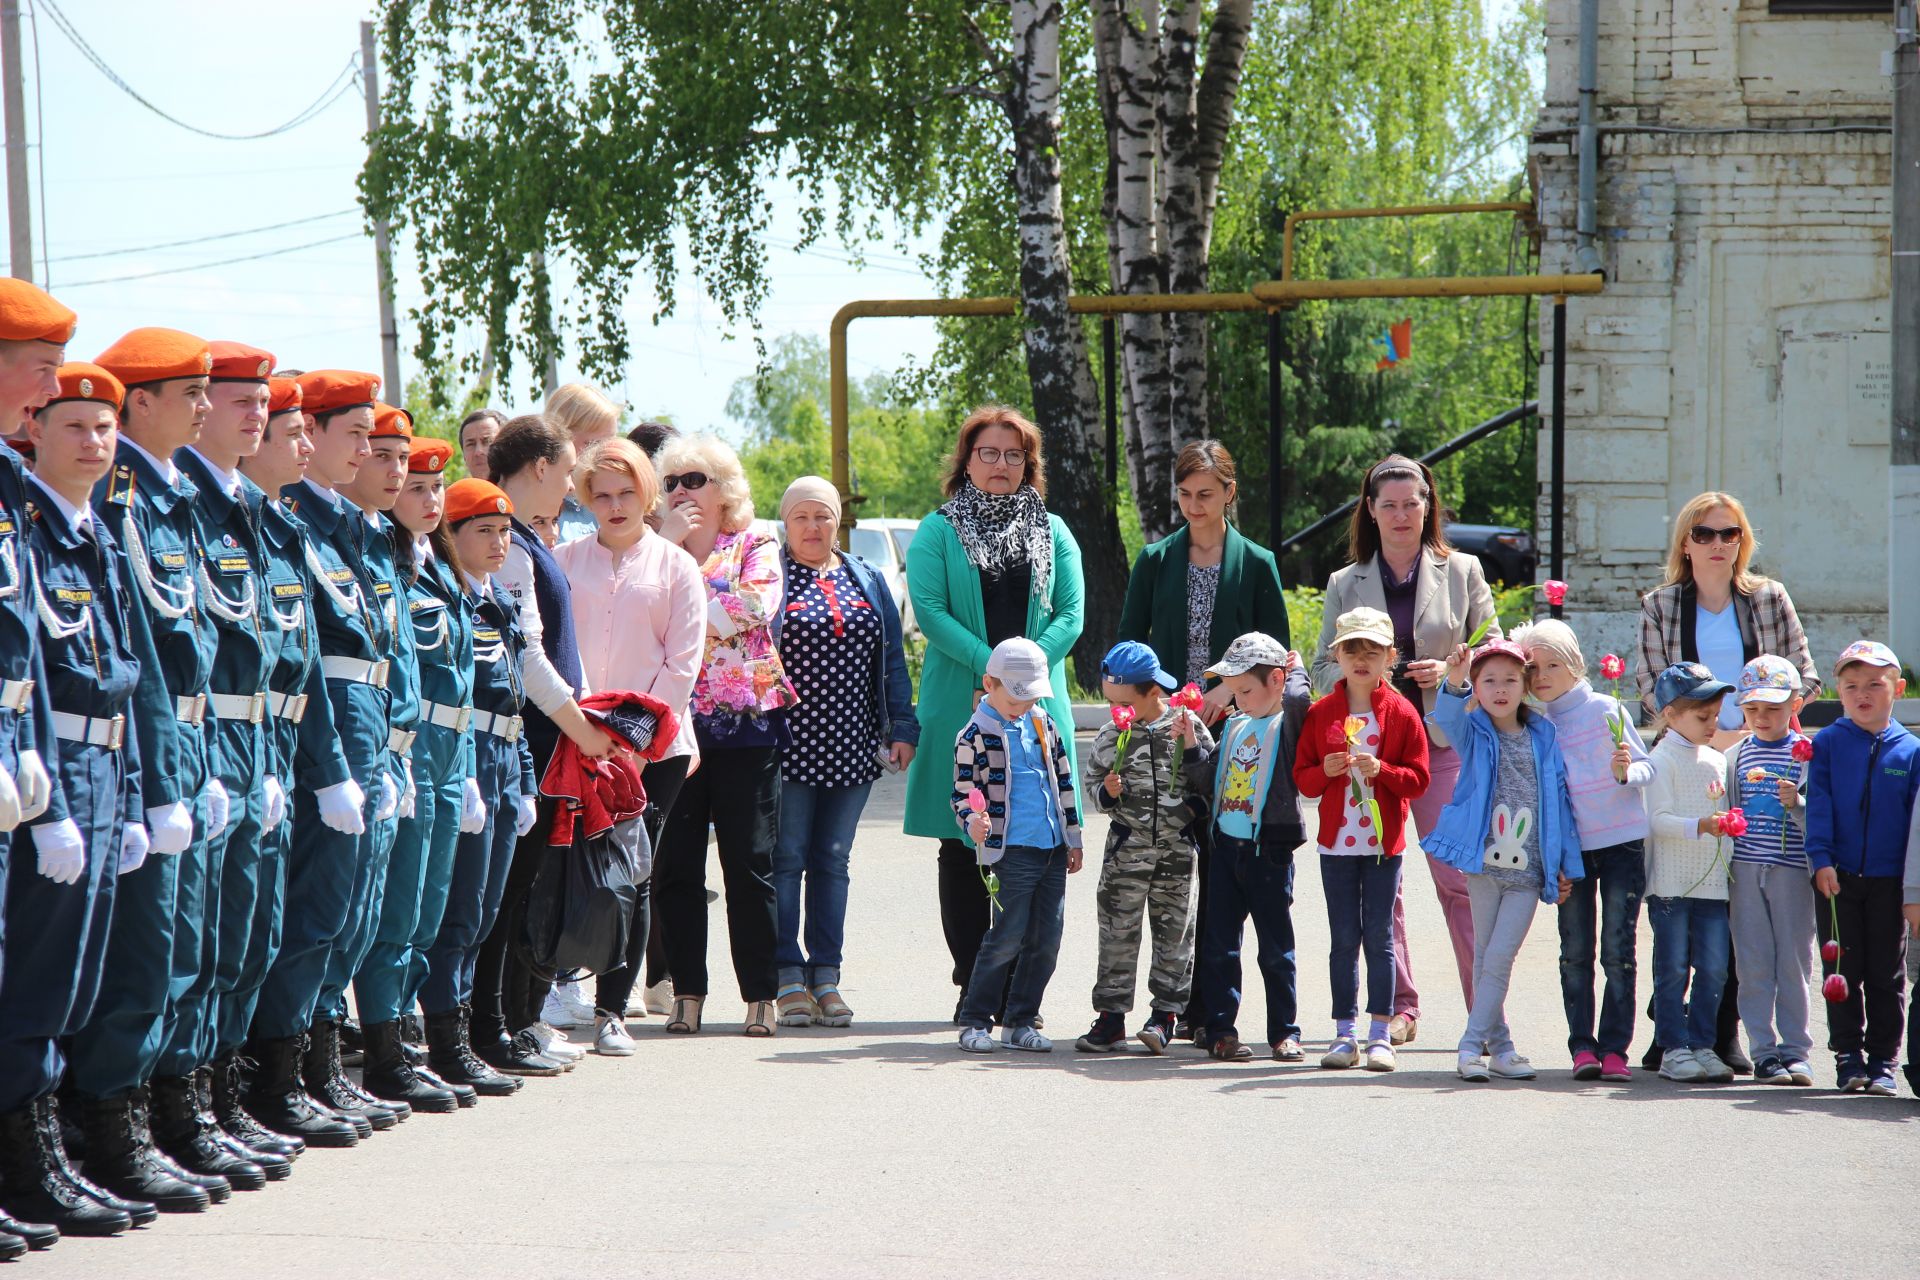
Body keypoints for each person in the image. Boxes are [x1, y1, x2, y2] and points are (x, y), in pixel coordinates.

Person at [73, 329, 249, 1193]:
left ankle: (174, 1114)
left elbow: (204, 650)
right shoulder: (117, 497)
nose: (209, 406)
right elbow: (135, 652)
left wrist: (208, 759)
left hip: (197, 740)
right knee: (145, 960)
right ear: (139, 401)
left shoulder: (173, 499)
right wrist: (161, 778)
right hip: (143, 749)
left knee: (192, 951)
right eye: (192, 392)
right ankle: (112, 1129)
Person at [0, 363, 147, 1237]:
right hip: (45, 776)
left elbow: (126, 682)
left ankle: (46, 1149)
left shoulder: (90, 529)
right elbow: (39, 678)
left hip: (89, 771)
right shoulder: (33, 522)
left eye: (105, 427)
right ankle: (27, 1158)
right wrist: (52, 802)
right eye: (75, 425)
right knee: (36, 980)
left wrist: (127, 795)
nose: (96, 443)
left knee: (72, 981)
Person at [250, 369, 405, 1141]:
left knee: (352, 915)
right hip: (327, 743)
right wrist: (333, 765)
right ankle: (283, 1079)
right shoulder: (299, 525)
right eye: (353, 435)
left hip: (368, 735)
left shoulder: (353, 529)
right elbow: (307, 662)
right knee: (312, 916)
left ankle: (316, 1069)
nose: (365, 450)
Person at [905, 406, 1084, 1022]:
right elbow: (928, 608)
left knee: (1031, 847)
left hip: (1036, 708)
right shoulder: (938, 530)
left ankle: (1019, 992)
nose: (1000, 464)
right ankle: (970, 983)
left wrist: (1023, 675)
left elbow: (1071, 613)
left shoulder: (1055, 531)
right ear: (967, 461)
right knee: (965, 842)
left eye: (1013, 454)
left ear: (1027, 464)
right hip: (964, 700)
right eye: (988, 452)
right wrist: (991, 666)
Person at [165, 342, 296, 1181]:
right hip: (200, 743)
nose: (250, 415)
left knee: (247, 935)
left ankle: (218, 1100)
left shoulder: (244, 507)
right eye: (238, 402)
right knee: (186, 947)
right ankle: (164, 1114)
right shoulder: (174, 504)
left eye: (257, 403)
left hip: (255, 743)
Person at [1313, 454, 1498, 1045]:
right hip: (1368, 751)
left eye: (1410, 503)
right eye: (1387, 504)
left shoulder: (1463, 570)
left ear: (1428, 507)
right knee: (1379, 887)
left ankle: (1485, 1012)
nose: (1399, 514)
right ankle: (1399, 1009)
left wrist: (1450, 672)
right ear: (1370, 510)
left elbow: (1495, 652)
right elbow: (1321, 667)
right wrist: (1368, 683)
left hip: (1443, 744)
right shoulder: (1346, 583)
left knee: (1457, 881)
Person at [232, 376, 367, 1150]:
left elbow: (312, 659)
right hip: (250, 746)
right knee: (246, 934)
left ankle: (294, 1074)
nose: (312, 449)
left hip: (289, 745)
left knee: (313, 923)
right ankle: (260, 1085)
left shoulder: (301, 526)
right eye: (301, 433)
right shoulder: (283, 524)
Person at [1116, 440, 1287, 1039]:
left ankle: (1211, 1007)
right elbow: (1127, 652)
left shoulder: (1258, 563)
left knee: (1222, 869)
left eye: (1205, 494)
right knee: (1165, 869)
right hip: (1162, 736)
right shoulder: (1155, 561)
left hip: (1233, 734)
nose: (1193, 505)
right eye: (1185, 494)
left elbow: (1278, 664)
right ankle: (1166, 1000)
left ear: (1229, 495)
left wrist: (1226, 693)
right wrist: (1157, 709)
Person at [552, 437, 703, 1053]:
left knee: (633, 872)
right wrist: (587, 731)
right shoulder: (563, 560)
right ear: (585, 499)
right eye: (601, 495)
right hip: (575, 738)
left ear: (647, 496)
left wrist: (632, 743)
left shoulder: (676, 565)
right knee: (561, 868)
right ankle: (549, 989)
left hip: (654, 752)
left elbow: (682, 664)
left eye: (626, 494)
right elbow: (554, 653)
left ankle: (613, 1009)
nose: (614, 506)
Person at [475, 414, 615, 1075]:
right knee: (511, 893)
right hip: (524, 737)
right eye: (564, 472)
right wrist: (582, 727)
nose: (568, 486)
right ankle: (500, 1022)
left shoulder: (523, 540)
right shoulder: (504, 543)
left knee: (529, 889)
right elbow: (523, 654)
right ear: (538, 468)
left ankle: (519, 1018)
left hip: (544, 737)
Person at [650, 434, 796, 1037]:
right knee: (676, 866)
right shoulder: (656, 549)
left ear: (723, 489)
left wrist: (685, 579)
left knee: (749, 863)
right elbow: (641, 611)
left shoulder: (756, 541)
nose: (682, 491)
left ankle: (760, 996)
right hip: (676, 727)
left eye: (695, 480)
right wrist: (671, 549)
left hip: (746, 728)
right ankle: (687, 993)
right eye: (671, 483)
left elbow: (752, 607)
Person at [770, 476, 918, 1029]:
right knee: (786, 860)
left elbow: (893, 660)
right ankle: (787, 976)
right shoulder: (770, 576)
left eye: (823, 516)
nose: (813, 526)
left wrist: (902, 726)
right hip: (787, 746)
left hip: (852, 745)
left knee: (832, 861)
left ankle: (826, 976)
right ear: (786, 521)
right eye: (802, 516)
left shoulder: (868, 577)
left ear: (838, 523)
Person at [354, 434, 474, 1113]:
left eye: (435, 488)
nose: (428, 500)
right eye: (415, 488)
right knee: (397, 910)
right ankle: (385, 1050)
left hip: (448, 758)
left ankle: (405, 1039)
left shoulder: (436, 565)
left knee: (428, 910)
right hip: (412, 751)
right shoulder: (391, 564)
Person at [419, 477, 536, 1099]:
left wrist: (524, 780)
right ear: (452, 535)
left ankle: (458, 1033)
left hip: (500, 759)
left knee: (484, 912)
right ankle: (445, 1040)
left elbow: (512, 700)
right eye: (483, 530)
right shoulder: (447, 600)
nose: (498, 543)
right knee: (458, 912)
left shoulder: (500, 603)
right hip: (464, 757)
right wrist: (467, 772)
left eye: (504, 531)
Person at [1426, 639, 1583, 1083]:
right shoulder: (1475, 731)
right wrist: (1454, 676)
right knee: (1485, 959)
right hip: (1483, 866)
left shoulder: (1543, 734)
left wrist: (1563, 863)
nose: (1500, 689)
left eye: (1511, 680)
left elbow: (1560, 799)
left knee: (1499, 957)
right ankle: (1501, 1047)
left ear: (1525, 686)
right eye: (1489, 680)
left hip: (1528, 872)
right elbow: (1448, 718)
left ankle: (1471, 1047)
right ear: (1476, 687)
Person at [1514, 619, 1653, 1084]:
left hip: (1620, 845)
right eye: (1533, 668)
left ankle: (1615, 1048)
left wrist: (1625, 773)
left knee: (1618, 950)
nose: (1543, 676)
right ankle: (1582, 1046)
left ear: (1576, 664)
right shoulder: (1535, 724)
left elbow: (1647, 767)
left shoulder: (1606, 708)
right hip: (1570, 854)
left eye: (1554, 664)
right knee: (1574, 951)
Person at [1296, 609, 1431, 1072]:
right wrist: (1324, 771)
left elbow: (1418, 780)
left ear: (1390, 658)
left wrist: (1384, 771)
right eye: (1351, 649)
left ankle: (1380, 1034)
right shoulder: (1322, 713)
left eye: (1372, 651)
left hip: (1382, 847)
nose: (1361, 658)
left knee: (1379, 937)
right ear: (1336, 655)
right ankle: (1343, 1033)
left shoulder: (1402, 712)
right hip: (1336, 847)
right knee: (1342, 939)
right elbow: (1304, 780)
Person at [1073, 641, 1211, 1055]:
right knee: (1117, 934)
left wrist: (1192, 808)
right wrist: (1107, 795)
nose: (1117, 711)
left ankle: (1166, 1015)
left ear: (1154, 692)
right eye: (1110, 702)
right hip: (1126, 853)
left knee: (1175, 936)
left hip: (1176, 853)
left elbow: (1210, 779)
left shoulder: (1186, 726)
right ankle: (1111, 1018)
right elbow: (1092, 787)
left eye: (1124, 703)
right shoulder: (1110, 735)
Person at [952, 638, 1083, 1053]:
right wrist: (972, 820)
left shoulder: (1043, 722)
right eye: (1015, 696)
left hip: (1052, 847)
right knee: (1006, 935)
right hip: (1012, 851)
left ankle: (1020, 1021)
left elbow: (1063, 782)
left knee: (1047, 938)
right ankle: (975, 1021)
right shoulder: (974, 734)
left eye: (1029, 697)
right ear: (989, 683)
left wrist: (1073, 837)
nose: (1023, 705)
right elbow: (961, 794)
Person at [1805, 641, 1917, 1097]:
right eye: (1852, 686)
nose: (1862, 694)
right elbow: (1820, 804)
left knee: (1886, 975)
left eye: (1874, 684)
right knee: (1842, 970)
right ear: (1839, 691)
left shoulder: (1910, 751)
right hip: (1839, 877)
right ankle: (1848, 1055)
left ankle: (1884, 1060)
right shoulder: (1828, 742)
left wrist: (1912, 888)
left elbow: (1916, 827)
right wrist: (1821, 859)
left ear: (1899, 689)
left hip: (1890, 882)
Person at [1635, 492, 1819, 742]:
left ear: (1742, 542)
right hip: (1687, 751)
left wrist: (1761, 721)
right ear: (1684, 544)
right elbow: (1652, 687)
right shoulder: (1659, 605)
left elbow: (1805, 676)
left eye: (1729, 534)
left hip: (1766, 747)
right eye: (1703, 534)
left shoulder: (1770, 596)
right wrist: (1711, 735)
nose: (1718, 544)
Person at [1642, 663, 1737, 1085]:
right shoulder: (1660, 760)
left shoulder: (1718, 761)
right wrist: (1702, 825)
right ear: (1670, 714)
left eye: (1716, 715)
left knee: (1715, 967)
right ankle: (1673, 1047)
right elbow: (1657, 820)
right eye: (1703, 717)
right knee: (1673, 968)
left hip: (1713, 883)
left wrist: (1729, 833)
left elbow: (1726, 818)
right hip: (1671, 886)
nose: (1712, 724)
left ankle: (1703, 1042)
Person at [1722, 655, 1815, 1087]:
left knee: (1793, 963)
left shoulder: (1806, 754)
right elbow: (1728, 808)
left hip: (1792, 871)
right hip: (1745, 870)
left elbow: (1820, 819)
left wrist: (1796, 803)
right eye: (1753, 708)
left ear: (1795, 705)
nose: (1762, 717)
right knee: (1753, 962)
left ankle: (1796, 1051)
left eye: (1774, 709)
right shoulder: (1736, 754)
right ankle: (1764, 1051)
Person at [544, 382, 619, 544]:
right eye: (592, 444)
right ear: (560, 440)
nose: (605, 453)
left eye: (610, 443)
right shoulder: (536, 509)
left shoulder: (621, 502)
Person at [457, 408, 504, 482]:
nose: (478, 452)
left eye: (487, 441)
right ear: (464, 457)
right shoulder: (453, 493)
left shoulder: (525, 492)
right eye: (471, 444)